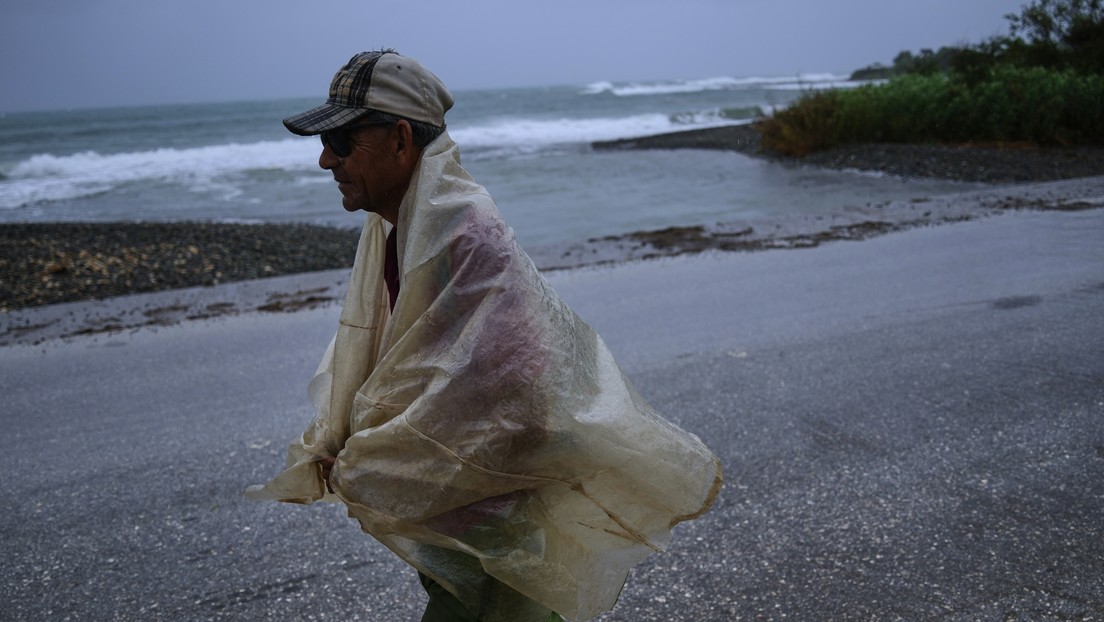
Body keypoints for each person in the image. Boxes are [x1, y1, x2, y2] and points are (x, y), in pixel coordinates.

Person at [247, 49, 723, 622]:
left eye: (344, 142)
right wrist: (346, 435)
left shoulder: (466, 238)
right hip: (463, 523)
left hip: (500, 526)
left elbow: (527, 398)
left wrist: (381, 455)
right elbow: (399, 359)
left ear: (400, 139)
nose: (326, 160)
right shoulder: (401, 231)